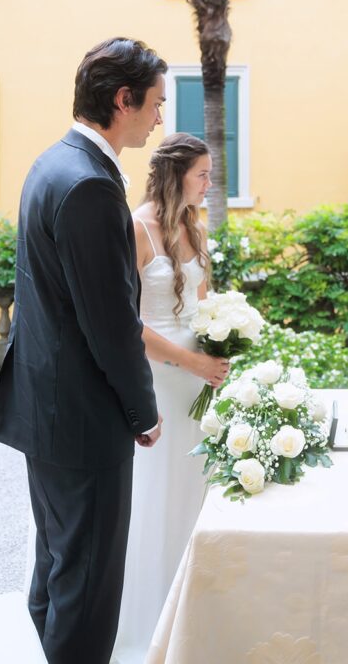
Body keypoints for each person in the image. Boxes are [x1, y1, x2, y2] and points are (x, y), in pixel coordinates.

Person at [0, 37, 167, 664]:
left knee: (59, 570)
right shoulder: (90, 183)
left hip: (48, 411)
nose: (161, 117)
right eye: (156, 104)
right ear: (124, 99)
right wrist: (143, 411)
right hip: (84, 421)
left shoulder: (50, 163)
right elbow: (110, 322)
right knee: (86, 591)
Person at [113, 133, 229, 664]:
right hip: (159, 377)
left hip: (197, 380)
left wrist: (222, 347)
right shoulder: (137, 228)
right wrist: (193, 362)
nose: (209, 183)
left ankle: (195, 615)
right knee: (156, 494)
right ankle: (147, 624)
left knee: (194, 488)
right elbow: (125, 322)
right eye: (202, 174)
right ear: (177, 174)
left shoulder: (194, 227)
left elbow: (204, 306)